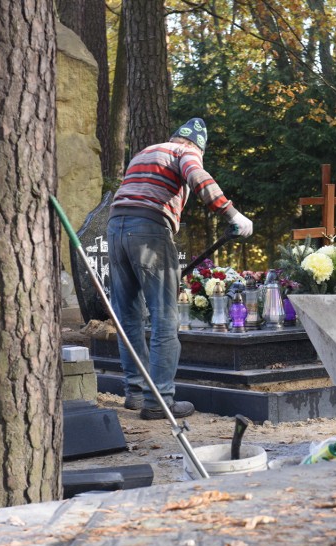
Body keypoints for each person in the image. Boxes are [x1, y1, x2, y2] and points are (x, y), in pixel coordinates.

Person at [106, 118, 253, 419]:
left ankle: (134, 392)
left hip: (115, 229)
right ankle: (159, 400)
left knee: (128, 316)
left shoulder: (146, 151)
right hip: (148, 229)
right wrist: (233, 214)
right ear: (196, 146)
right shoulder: (182, 152)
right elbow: (198, 178)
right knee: (164, 317)